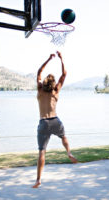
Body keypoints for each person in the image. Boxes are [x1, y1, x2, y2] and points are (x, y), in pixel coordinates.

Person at [32, 51, 78, 188]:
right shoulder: (56, 91)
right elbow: (64, 75)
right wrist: (61, 59)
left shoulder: (40, 89)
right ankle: (69, 152)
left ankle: (38, 179)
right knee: (63, 137)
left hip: (43, 123)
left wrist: (48, 59)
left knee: (42, 152)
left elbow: (39, 72)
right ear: (53, 83)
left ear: (45, 82)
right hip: (55, 121)